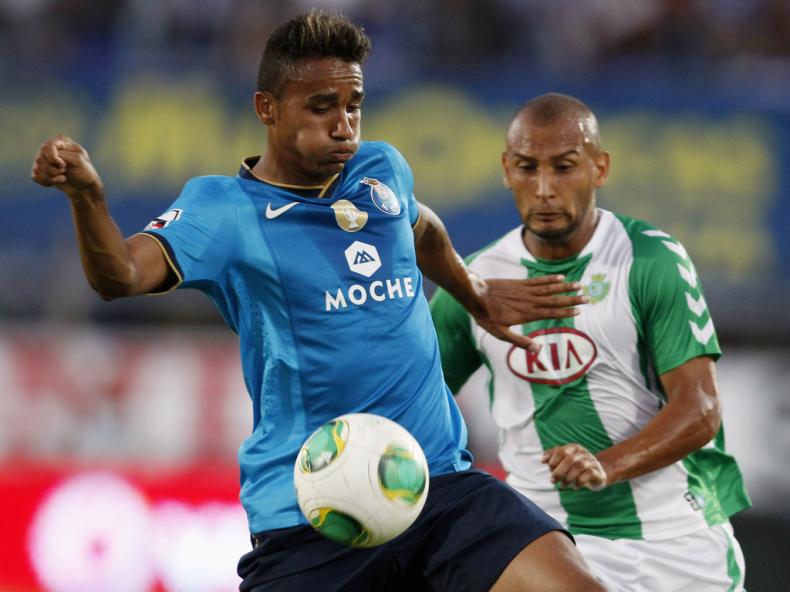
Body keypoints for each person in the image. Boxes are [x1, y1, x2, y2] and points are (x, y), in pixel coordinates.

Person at [30, 12, 605, 592]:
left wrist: (473, 291)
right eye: (321, 107)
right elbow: (122, 275)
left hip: (437, 485)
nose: (343, 126)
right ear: (267, 108)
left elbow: (420, 228)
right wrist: (88, 198)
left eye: (354, 105)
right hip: (314, 513)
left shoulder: (381, 170)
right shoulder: (225, 211)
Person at [430, 92, 752, 591]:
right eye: (527, 168)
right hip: (546, 542)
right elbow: (418, 399)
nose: (544, 189)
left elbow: (701, 407)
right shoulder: (476, 283)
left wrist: (605, 465)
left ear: (599, 168)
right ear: (506, 170)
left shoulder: (649, 261)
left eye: (563, 167)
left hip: (674, 539)